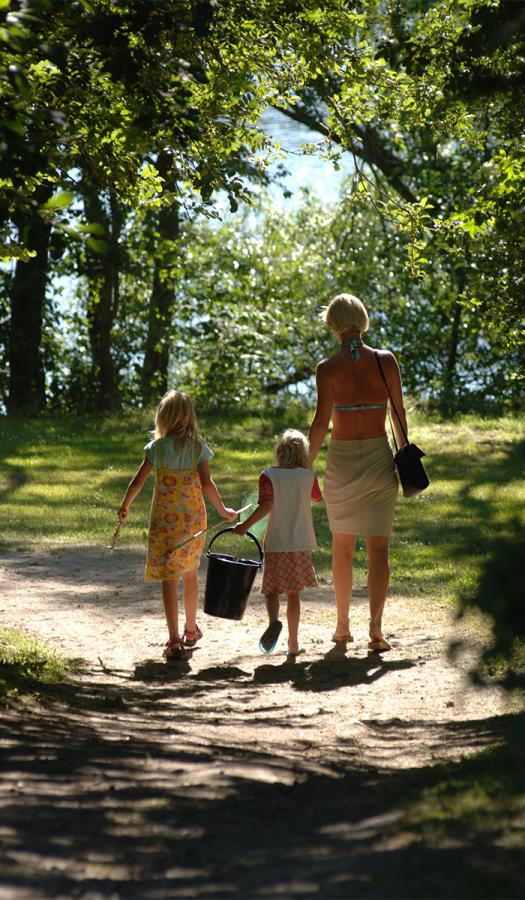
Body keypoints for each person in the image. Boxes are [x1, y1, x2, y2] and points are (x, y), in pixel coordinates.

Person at [308, 293, 408, 651]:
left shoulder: (327, 369)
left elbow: (321, 423)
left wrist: (306, 468)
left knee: (342, 548)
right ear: (362, 321)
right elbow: (398, 415)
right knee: (379, 549)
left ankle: (342, 626)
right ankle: (377, 629)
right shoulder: (386, 361)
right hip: (380, 457)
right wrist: (404, 459)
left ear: (333, 326)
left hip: (343, 461)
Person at [117, 389, 237, 659]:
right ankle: (191, 629)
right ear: (190, 417)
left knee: (169, 578)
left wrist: (125, 505)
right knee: (190, 573)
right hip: (192, 521)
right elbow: (207, 484)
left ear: (163, 418)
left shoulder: (156, 449)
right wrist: (224, 510)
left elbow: (137, 482)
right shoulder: (198, 450)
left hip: (164, 523)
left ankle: (173, 640)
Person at [233, 428, 322, 657]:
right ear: (303, 453)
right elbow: (316, 498)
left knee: (271, 590)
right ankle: (293, 643)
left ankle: (274, 621)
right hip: (301, 543)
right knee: (294, 594)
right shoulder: (308, 476)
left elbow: (267, 505)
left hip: (276, 542)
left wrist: (244, 526)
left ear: (280, 452)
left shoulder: (268, 476)